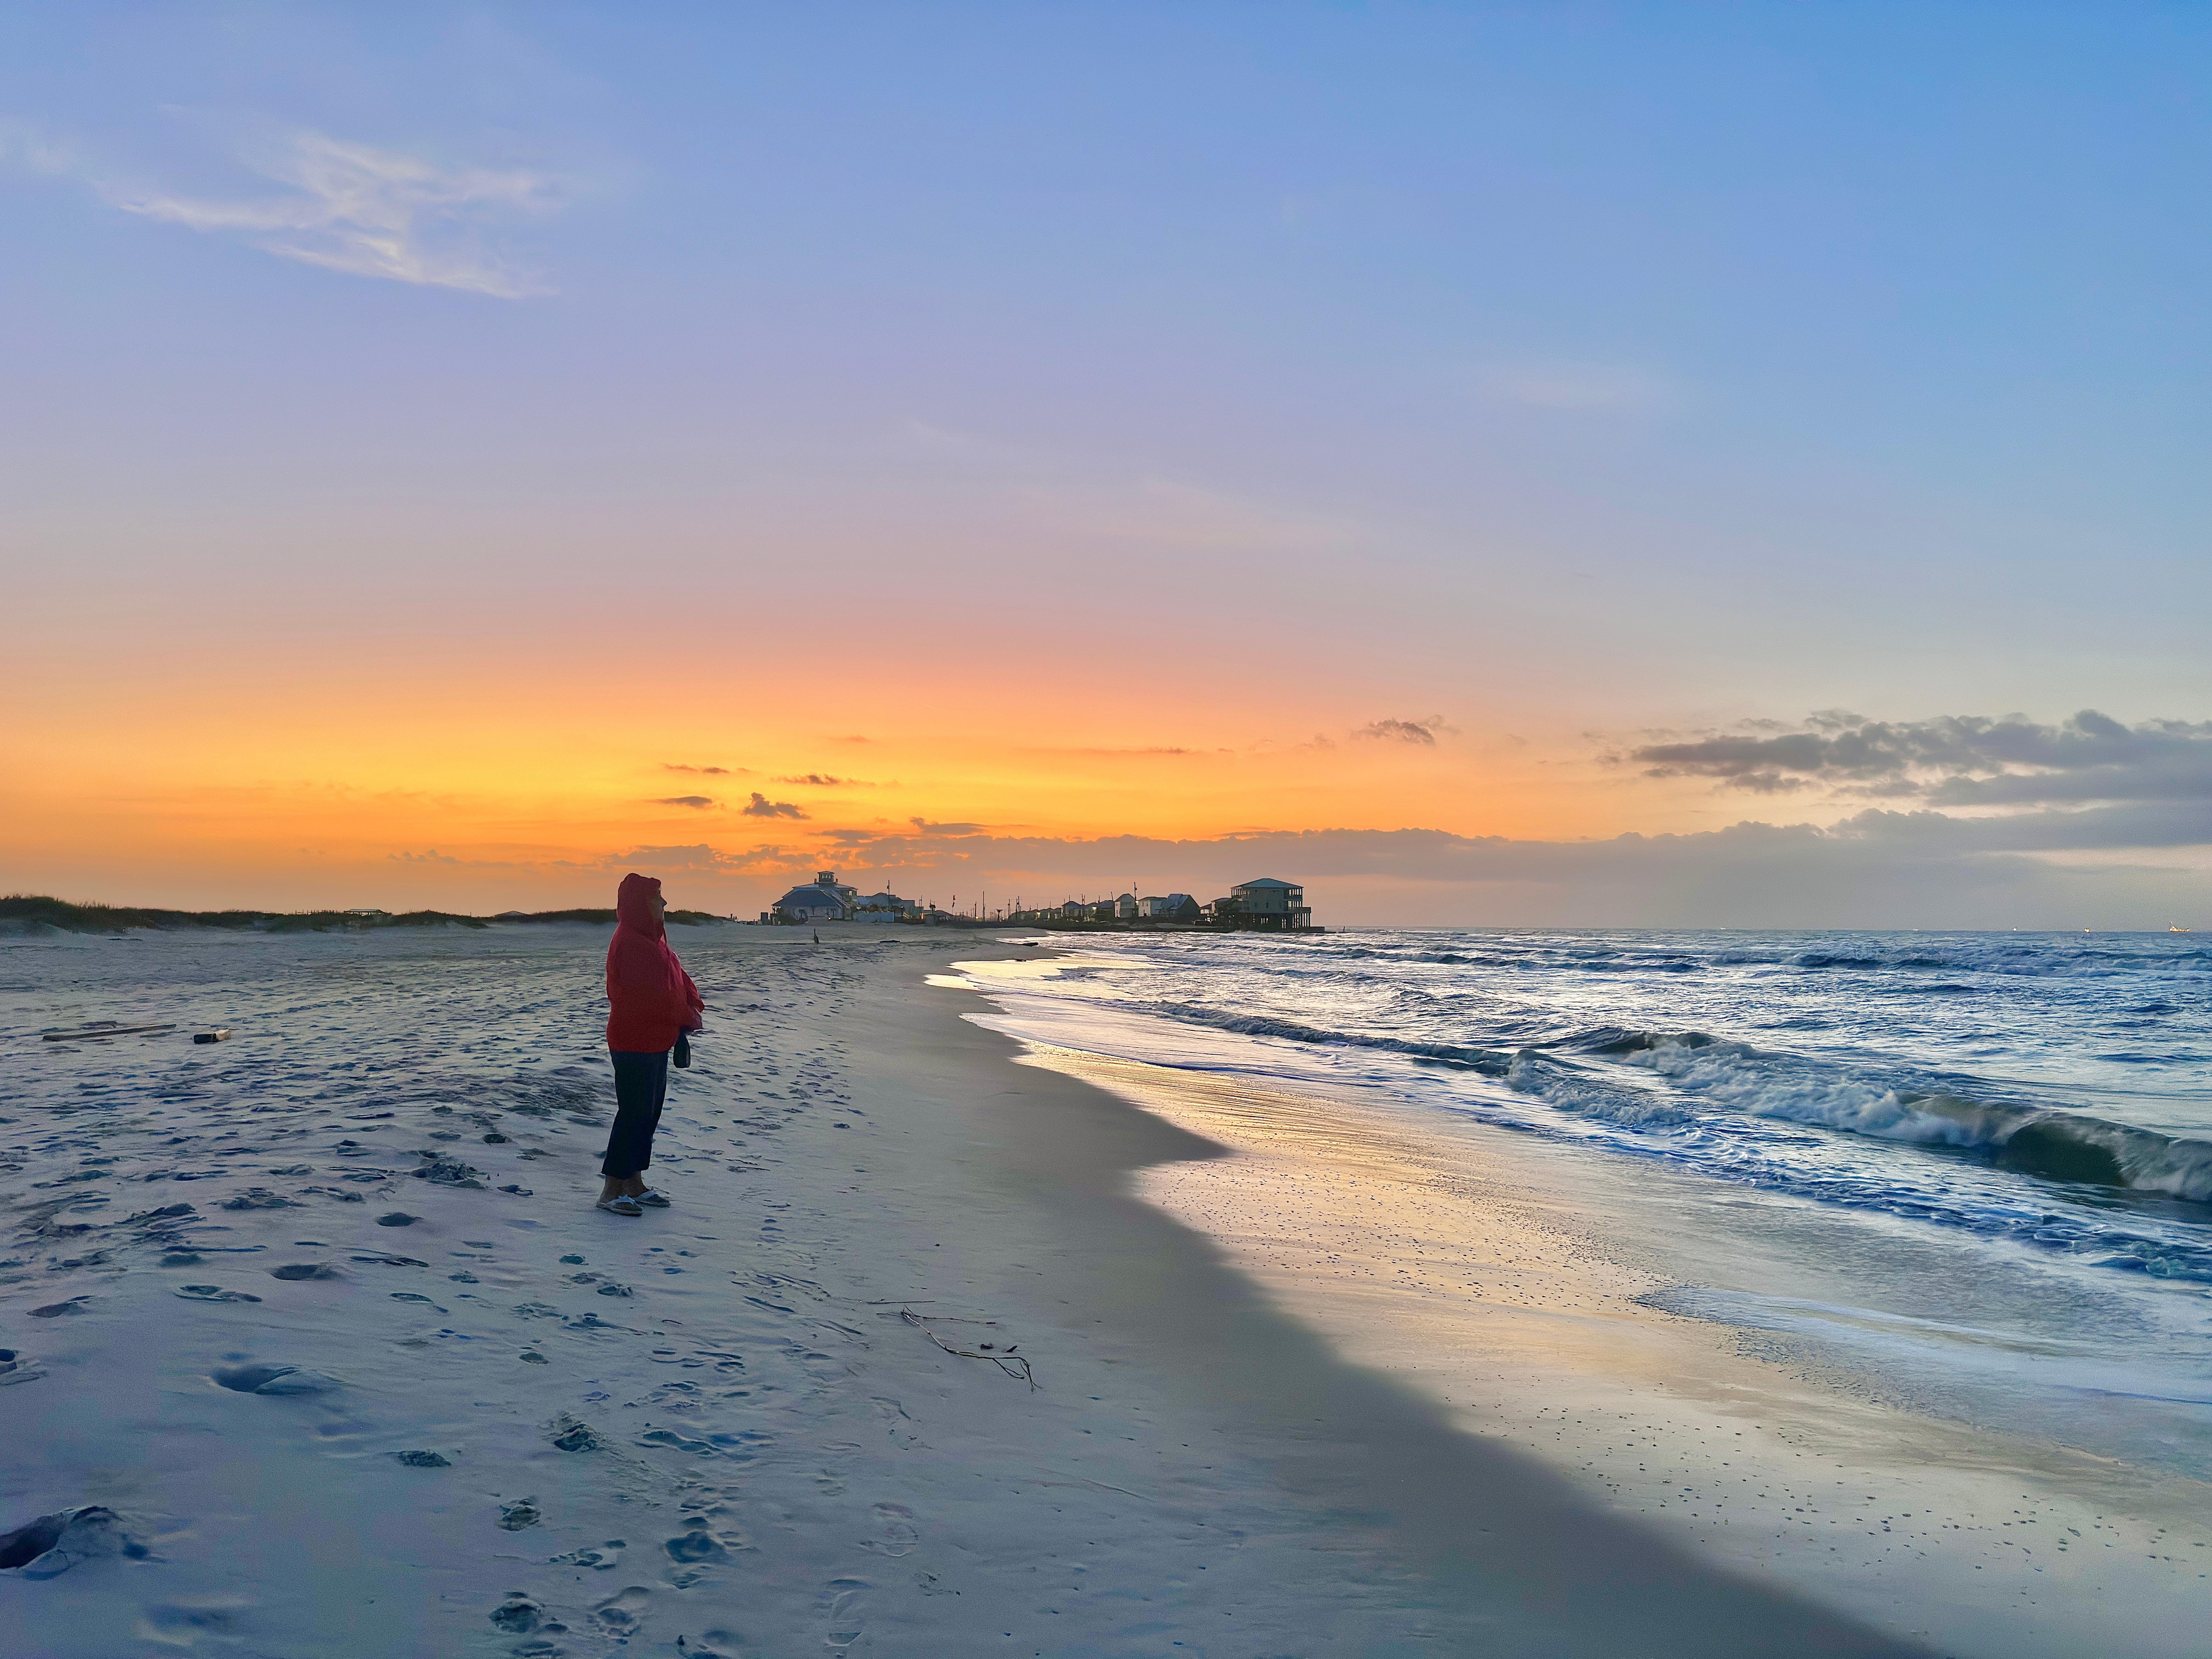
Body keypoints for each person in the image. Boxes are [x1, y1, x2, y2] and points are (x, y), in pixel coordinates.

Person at [598, 872, 704, 1217]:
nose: (665, 903)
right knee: (634, 1114)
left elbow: (675, 977)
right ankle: (611, 1190)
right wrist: (686, 1016)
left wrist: (691, 1005)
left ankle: (634, 1182)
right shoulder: (632, 943)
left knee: (649, 1113)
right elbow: (651, 997)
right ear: (641, 904)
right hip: (633, 1041)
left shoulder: (650, 939)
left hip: (655, 1039)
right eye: (658, 897)